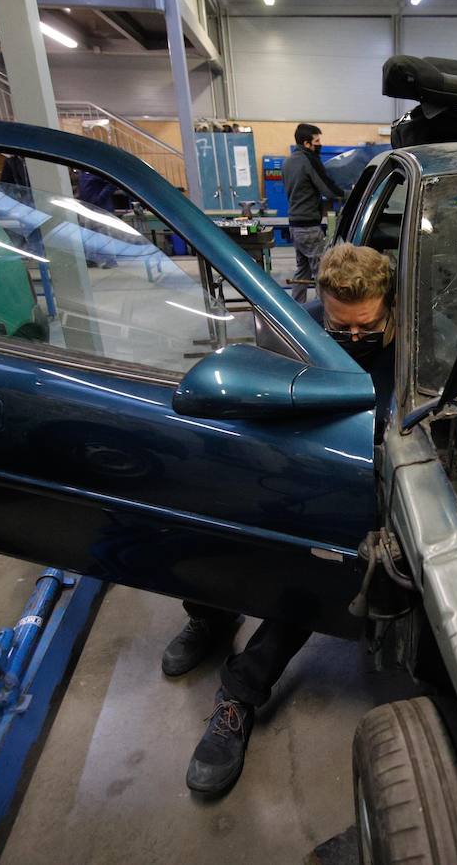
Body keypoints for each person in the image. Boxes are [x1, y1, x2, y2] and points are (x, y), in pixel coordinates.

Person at [169, 243, 395, 796]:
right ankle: (211, 616)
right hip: (300, 467)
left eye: (369, 328)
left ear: (388, 305)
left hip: (374, 484)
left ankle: (240, 693)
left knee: (309, 581)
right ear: (322, 307)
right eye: (343, 330)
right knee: (211, 524)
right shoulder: (291, 332)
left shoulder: (417, 340)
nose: (357, 340)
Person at [282, 123, 346, 303]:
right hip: (309, 227)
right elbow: (327, 189)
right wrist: (349, 195)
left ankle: (296, 309)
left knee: (302, 270)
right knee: (322, 273)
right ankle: (324, 314)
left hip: (295, 226)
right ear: (306, 143)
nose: (320, 144)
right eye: (317, 141)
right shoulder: (308, 160)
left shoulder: (288, 162)